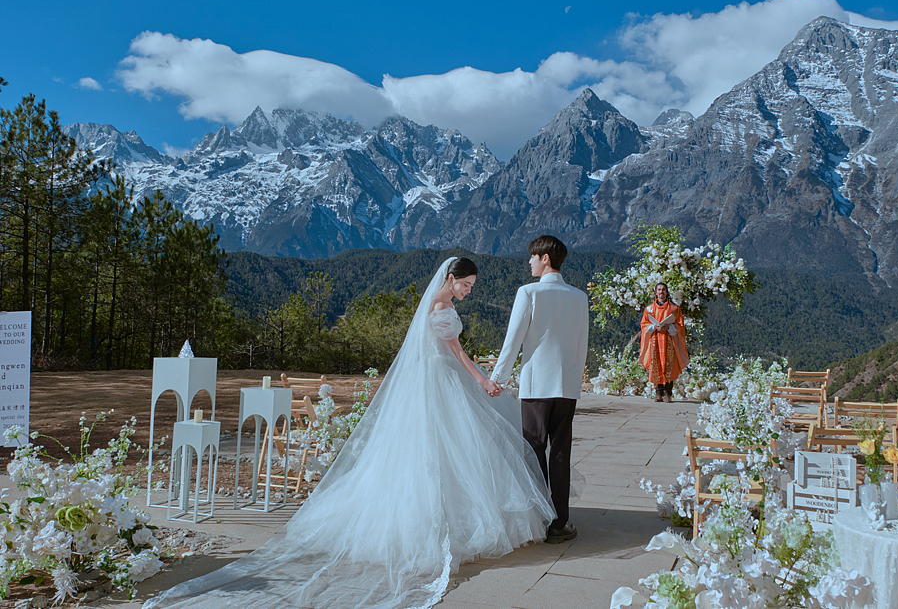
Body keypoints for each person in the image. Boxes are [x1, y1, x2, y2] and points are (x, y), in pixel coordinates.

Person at [144, 257, 556, 609]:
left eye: (470, 287)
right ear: (451, 279)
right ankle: (445, 524)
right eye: (466, 285)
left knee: (435, 451)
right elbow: (458, 353)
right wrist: (483, 381)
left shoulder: (437, 303)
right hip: (443, 379)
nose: (468, 291)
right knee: (449, 449)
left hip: (433, 379)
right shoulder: (440, 306)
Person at [491, 235, 589, 544]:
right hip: (567, 386)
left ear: (545, 258)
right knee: (560, 452)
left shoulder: (528, 292)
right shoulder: (579, 297)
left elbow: (513, 341)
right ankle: (560, 522)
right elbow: (582, 346)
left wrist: (498, 378)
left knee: (533, 451)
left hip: (536, 386)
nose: (529, 262)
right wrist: (574, 381)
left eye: (532, 257)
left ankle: (538, 519)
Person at [639, 282, 689, 402]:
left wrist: (669, 327)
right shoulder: (649, 309)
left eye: (663, 290)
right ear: (656, 292)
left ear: (667, 292)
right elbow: (644, 324)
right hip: (655, 340)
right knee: (656, 364)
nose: (661, 292)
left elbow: (680, 325)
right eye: (659, 290)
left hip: (669, 340)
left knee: (668, 365)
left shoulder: (674, 308)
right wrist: (653, 327)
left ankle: (668, 394)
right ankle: (658, 393)